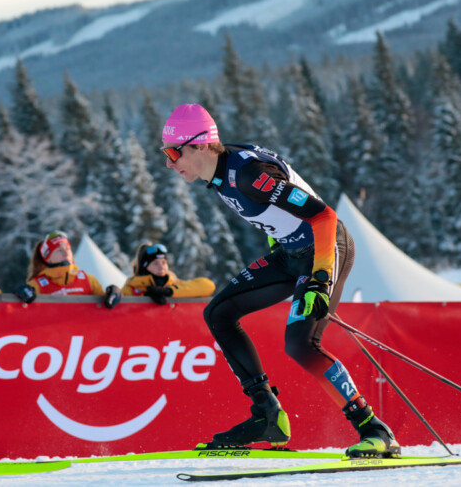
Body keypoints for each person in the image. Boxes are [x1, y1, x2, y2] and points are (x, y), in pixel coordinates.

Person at [159, 103, 400, 458]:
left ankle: (375, 430)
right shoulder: (218, 171)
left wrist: (318, 278)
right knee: (219, 313)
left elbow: (322, 215)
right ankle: (267, 414)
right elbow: (277, 216)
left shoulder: (249, 175)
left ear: (199, 145)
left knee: (301, 344)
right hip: (291, 253)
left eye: (173, 152)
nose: (169, 163)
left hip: (324, 247)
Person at [14, 230, 121, 308]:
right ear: (48, 258)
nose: (65, 253)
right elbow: (23, 312)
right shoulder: (38, 285)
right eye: (59, 250)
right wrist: (17, 296)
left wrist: (115, 292)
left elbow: (107, 306)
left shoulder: (88, 280)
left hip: (84, 336)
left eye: (67, 249)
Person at [122, 243, 215, 304]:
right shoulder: (133, 290)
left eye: (164, 262)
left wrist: (168, 292)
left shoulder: (173, 284)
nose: (161, 267)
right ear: (144, 267)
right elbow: (109, 297)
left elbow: (208, 286)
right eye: (155, 264)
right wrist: (113, 291)